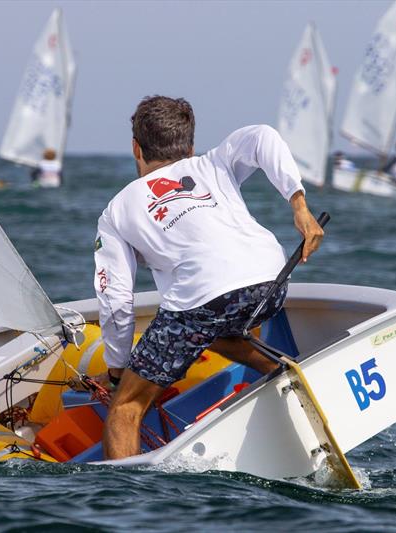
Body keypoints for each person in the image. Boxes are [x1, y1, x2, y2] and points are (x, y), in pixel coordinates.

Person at [92, 95, 324, 460]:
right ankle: (276, 366)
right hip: (272, 282)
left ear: (137, 148)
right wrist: (299, 204)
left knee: (125, 409)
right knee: (206, 325)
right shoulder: (213, 162)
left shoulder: (116, 211)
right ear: (190, 145)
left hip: (202, 303)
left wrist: (119, 372)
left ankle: (127, 504)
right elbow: (263, 136)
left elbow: (117, 301)